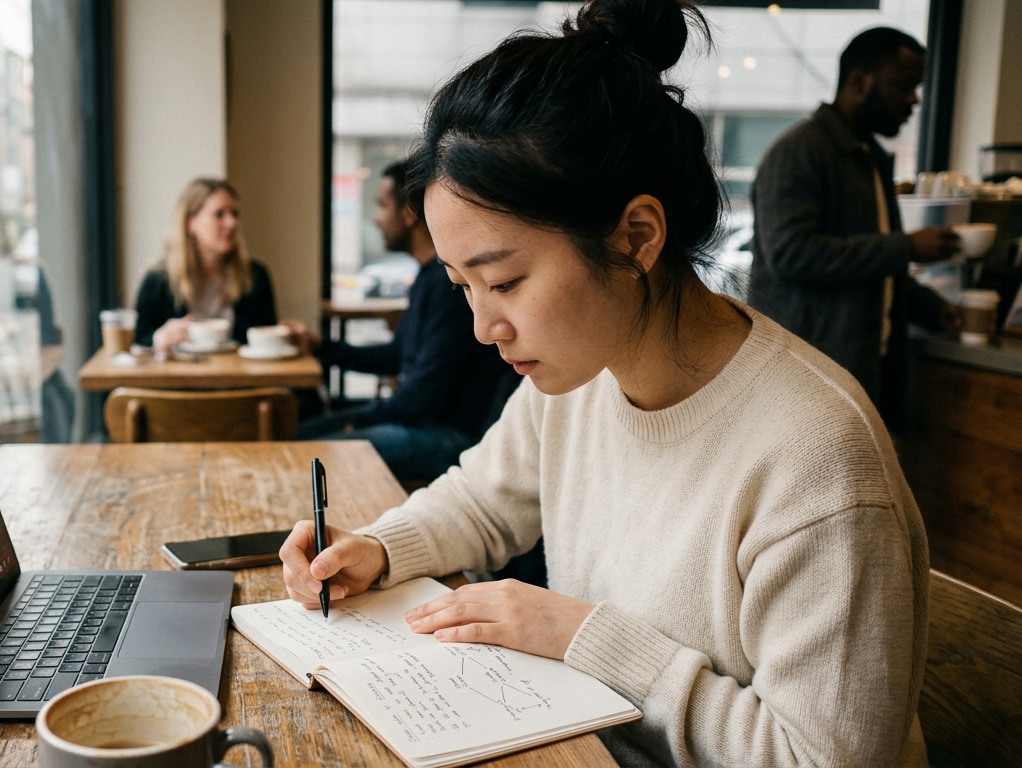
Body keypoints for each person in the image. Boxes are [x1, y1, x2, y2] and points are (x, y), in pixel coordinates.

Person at [279, 1, 929, 765]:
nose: (484, 327)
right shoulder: (584, 371)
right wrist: (376, 550)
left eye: (506, 281)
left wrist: (586, 639)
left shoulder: (815, 460)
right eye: (462, 286)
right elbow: (485, 502)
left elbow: (826, 758)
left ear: (636, 237)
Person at [748, 27, 958, 431]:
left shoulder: (870, 159)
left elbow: (871, 270)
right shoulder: (799, 152)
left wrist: (932, 309)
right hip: (804, 384)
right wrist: (906, 248)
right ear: (860, 82)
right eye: (903, 85)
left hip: (856, 378)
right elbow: (791, 253)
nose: (914, 99)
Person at [284, 161, 514, 481]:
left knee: (304, 450)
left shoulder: (448, 288)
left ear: (408, 214)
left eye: (382, 206)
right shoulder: (429, 278)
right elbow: (395, 356)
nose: (376, 219)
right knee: (298, 436)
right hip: (421, 422)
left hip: (449, 436)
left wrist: (359, 420)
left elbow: (423, 399)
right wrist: (319, 346)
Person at [133, 179, 276, 350]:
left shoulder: (254, 276)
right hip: (180, 375)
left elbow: (268, 337)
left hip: (238, 375)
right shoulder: (158, 280)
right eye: (219, 214)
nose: (232, 223)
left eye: (234, 214)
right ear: (190, 223)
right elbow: (138, 339)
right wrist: (158, 338)